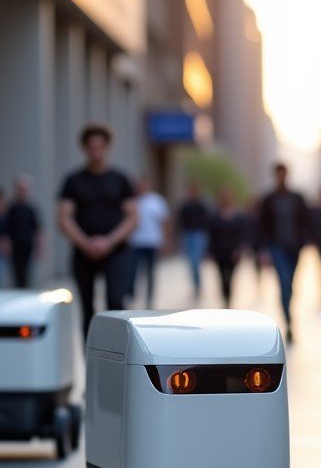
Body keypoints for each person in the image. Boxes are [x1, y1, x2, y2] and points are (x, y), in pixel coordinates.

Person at [57, 122, 138, 342]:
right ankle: (90, 356)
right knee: (87, 307)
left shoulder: (121, 180)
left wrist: (109, 242)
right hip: (84, 252)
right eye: (91, 148)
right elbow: (64, 218)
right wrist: (85, 243)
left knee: (116, 302)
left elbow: (132, 217)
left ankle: (119, 351)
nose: (96, 153)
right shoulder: (73, 181)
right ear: (84, 149)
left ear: (107, 148)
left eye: (100, 147)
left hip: (117, 251)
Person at [258, 162, 309, 342]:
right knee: (284, 282)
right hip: (276, 247)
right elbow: (262, 226)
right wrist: (263, 250)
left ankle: (289, 311)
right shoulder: (268, 199)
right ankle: (288, 321)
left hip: (294, 248)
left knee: (290, 284)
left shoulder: (297, 198)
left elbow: (305, 221)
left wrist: (305, 242)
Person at [129, 177, 170, 308]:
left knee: (150, 272)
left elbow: (164, 221)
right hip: (135, 242)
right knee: (132, 271)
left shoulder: (156, 201)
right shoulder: (132, 200)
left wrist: (165, 240)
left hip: (152, 242)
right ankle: (131, 295)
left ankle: (150, 297)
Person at [208, 187, 248, 307]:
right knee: (221, 277)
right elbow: (211, 234)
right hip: (220, 252)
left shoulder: (239, 216)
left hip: (234, 253)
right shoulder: (214, 215)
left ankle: (229, 300)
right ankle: (225, 297)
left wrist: (239, 250)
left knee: (230, 277)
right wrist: (210, 251)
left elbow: (242, 235)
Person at [4, 174, 41, 289]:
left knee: (27, 269)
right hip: (15, 244)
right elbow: (6, 228)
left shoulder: (31, 208)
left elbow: (38, 229)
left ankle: (24, 288)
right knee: (16, 269)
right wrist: (6, 243)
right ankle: (19, 288)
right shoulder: (11, 208)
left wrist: (39, 246)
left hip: (27, 243)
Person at [177, 183, 210, 301]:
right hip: (187, 235)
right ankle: (195, 286)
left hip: (198, 235)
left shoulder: (202, 206)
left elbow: (207, 222)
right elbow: (180, 221)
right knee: (191, 263)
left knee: (195, 262)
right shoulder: (185, 206)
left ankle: (198, 286)